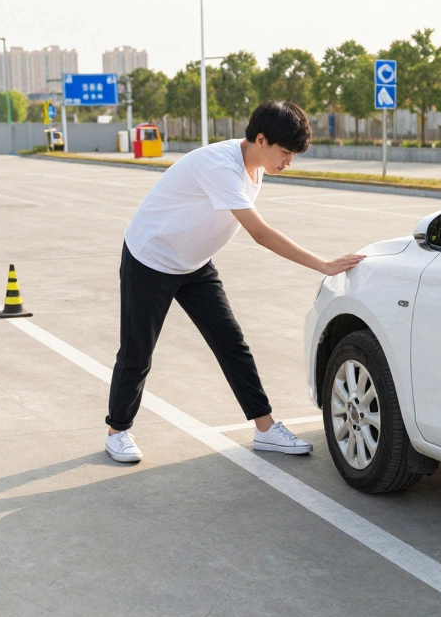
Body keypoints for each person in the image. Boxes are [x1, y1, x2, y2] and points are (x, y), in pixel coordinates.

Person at [105, 100, 364, 463]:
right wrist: (322, 264)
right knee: (137, 351)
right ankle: (118, 431)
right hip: (150, 259)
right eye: (286, 152)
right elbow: (261, 234)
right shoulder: (221, 166)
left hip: (193, 265)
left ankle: (265, 428)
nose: (289, 161)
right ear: (261, 139)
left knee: (232, 344)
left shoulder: (255, 166)